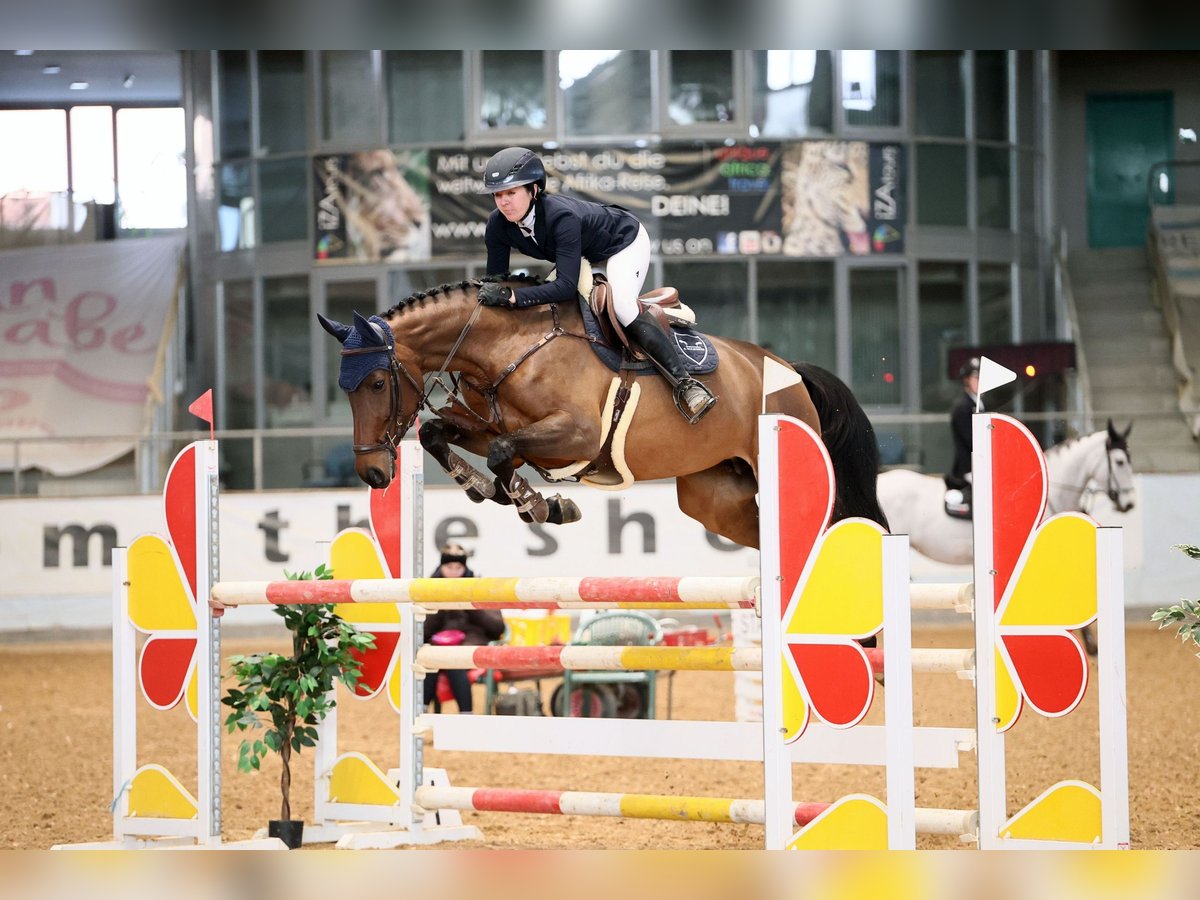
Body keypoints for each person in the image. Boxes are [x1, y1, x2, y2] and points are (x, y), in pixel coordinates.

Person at [475, 146, 716, 424]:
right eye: (498, 195)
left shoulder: (560, 217)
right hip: (585, 254)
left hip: (622, 243)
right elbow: (495, 281)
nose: (504, 202)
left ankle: (685, 384)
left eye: (511, 192)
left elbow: (565, 285)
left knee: (622, 306)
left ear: (534, 190)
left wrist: (513, 297)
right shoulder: (497, 225)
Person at [422, 543, 506, 714]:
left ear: (465, 567)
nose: (453, 572)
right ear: (441, 566)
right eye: (449, 566)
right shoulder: (428, 588)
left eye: (458, 567)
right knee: (430, 659)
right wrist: (438, 604)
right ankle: (420, 714)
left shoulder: (479, 587)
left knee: (455, 659)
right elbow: (421, 631)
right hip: (438, 646)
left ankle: (466, 715)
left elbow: (497, 627)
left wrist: (469, 603)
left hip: (471, 642)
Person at [944, 357, 981, 517]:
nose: (980, 382)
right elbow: (973, 441)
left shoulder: (980, 406)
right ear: (967, 380)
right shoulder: (963, 408)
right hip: (968, 469)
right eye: (977, 378)